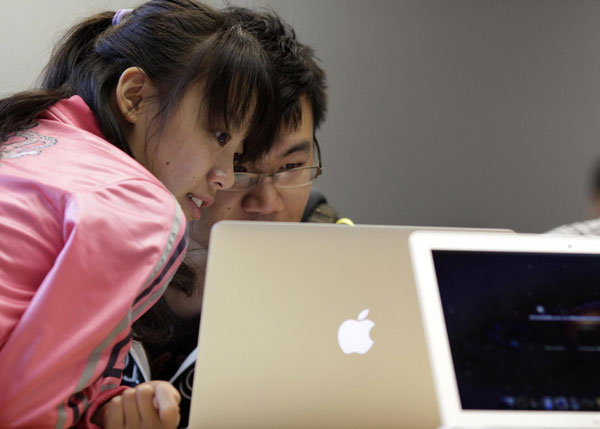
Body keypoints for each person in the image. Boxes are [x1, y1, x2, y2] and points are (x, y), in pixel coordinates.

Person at [0, 1, 281, 427]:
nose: (224, 176)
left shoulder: (30, 136)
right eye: (219, 134)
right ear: (135, 96)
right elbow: (26, 415)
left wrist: (104, 409)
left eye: (236, 153)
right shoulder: (142, 204)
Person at [122, 7, 335, 426]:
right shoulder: (93, 253)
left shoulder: (335, 254)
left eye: (291, 166)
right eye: (239, 169)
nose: (268, 201)